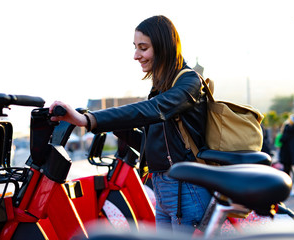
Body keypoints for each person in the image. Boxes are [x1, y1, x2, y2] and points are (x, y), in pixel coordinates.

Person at [49, 15, 211, 234]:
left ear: (163, 47)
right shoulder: (161, 87)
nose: (136, 56)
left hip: (186, 189)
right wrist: (117, 126)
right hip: (165, 189)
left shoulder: (189, 82)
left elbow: (153, 110)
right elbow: (156, 146)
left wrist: (88, 120)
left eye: (143, 48)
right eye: (135, 48)